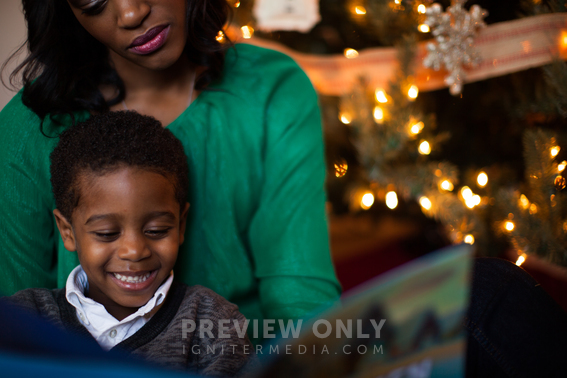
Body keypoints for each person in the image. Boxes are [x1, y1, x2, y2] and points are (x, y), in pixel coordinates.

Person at [0, 0, 341, 338]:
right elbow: (18, 330)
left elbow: (300, 303)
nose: (131, 13)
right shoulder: (28, 128)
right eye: (93, 1)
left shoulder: (271, 90)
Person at [4, 111, 254, 376]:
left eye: (157, 230)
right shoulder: (23, 319)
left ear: (181, 226)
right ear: (68, 232)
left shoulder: (214, 323)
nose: (134, 251)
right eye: (107, 233)